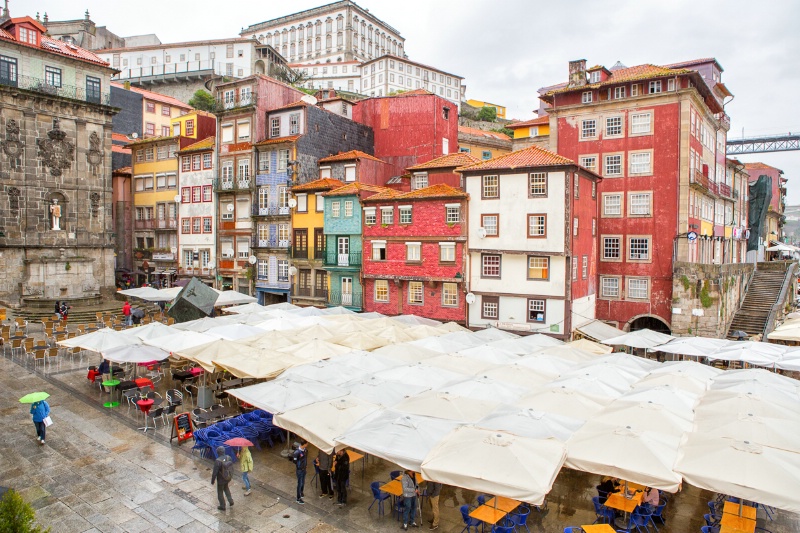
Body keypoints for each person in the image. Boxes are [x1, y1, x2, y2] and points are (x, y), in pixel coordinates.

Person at [210, 446, 234, 511]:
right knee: (226, 488)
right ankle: (230, 500)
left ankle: (222, 505)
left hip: (221, 480)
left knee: (220, 492)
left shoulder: (217, 461)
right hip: (228, 477)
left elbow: (215, 472)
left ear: (218, 453)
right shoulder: (229, 457)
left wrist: (212, 480)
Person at [291, 440, 308, 504]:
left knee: (303, 482)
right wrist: (299, 465)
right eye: (306, 444)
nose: (307, 445)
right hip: (300, 470)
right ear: (304, 444)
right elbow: (294, 461)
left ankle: (301, 492)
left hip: (304, 469)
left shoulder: (305, 450)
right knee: (300, 483)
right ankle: (298, 498)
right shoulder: (297, 452)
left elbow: (305, 458)